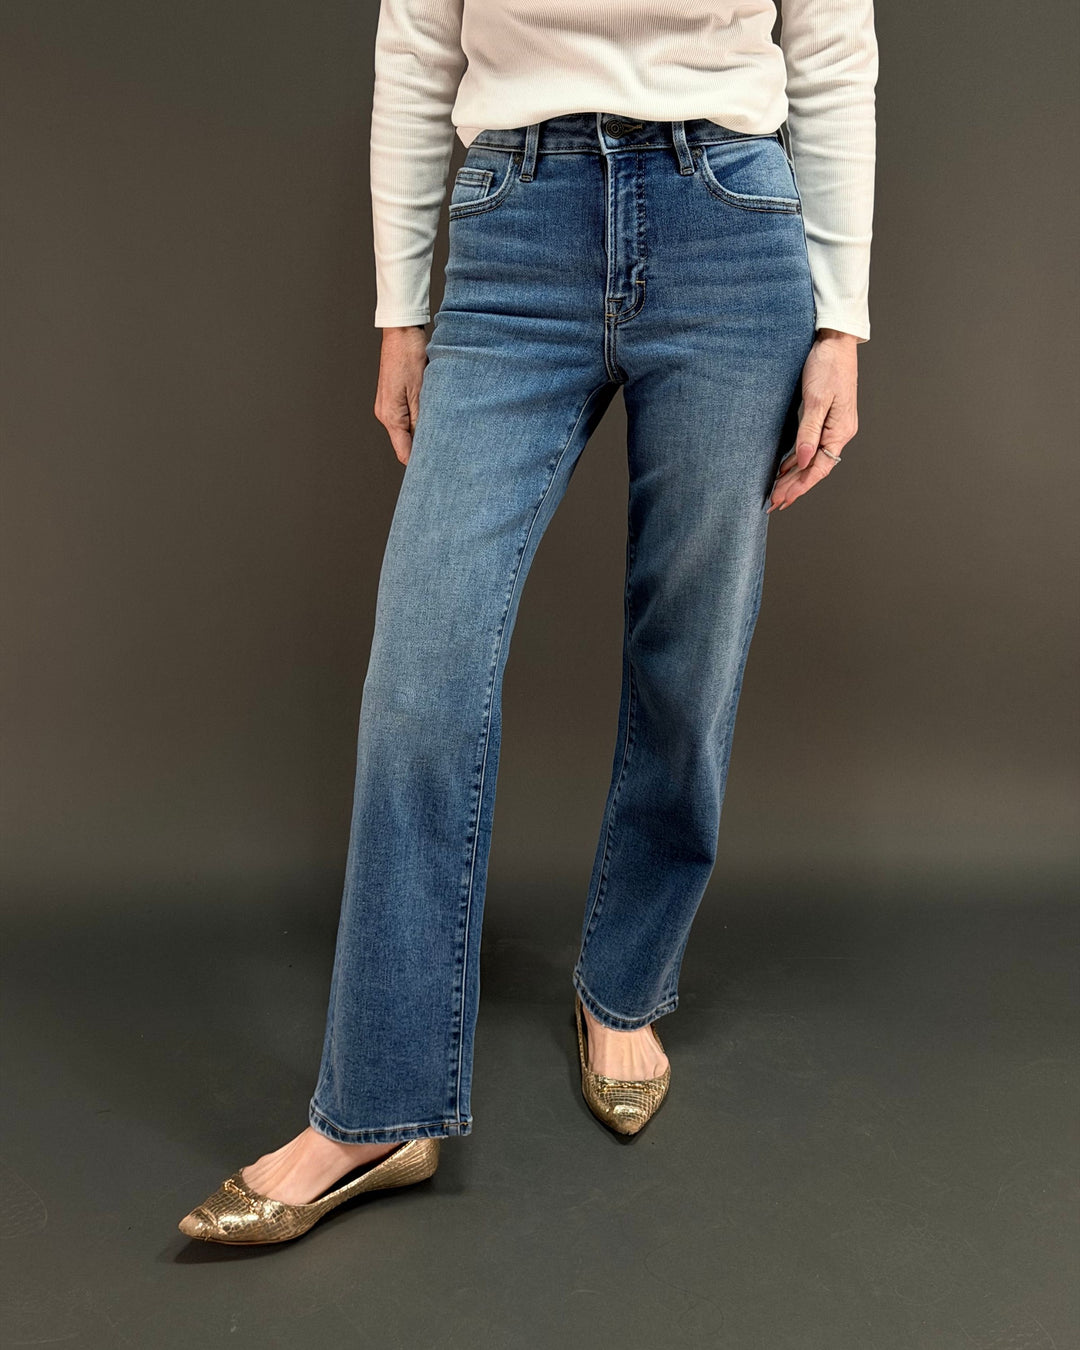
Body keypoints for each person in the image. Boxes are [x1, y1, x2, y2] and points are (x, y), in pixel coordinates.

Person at [179, 0, 877, 1244]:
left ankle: (624, 985)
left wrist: (842, 319)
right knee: (423, 668)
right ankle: (376, 1106)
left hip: (730, 225)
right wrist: (401, 308)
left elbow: (828, 47)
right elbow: (416, 42)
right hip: (517, 222)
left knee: (690, 649)